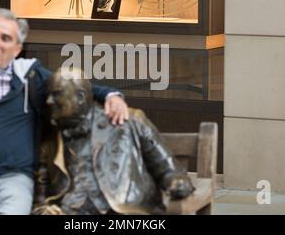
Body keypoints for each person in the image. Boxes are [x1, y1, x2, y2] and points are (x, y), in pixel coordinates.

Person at [0, 8, 129, 215]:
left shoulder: (30, 76)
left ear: (17, 49)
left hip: (12, 180)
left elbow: (71, 87)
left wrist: (111, 95)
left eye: (5, 38)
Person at [33, 68, 194, 215]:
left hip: (124, 212)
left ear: (81, 97)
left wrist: (177, 182)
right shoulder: (50, 139)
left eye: (56, 94)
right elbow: (40, 196)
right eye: (48, 95)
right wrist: (44, 209)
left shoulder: (129, 121)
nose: (49, 101)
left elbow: (168, 169)